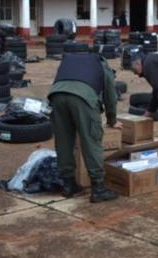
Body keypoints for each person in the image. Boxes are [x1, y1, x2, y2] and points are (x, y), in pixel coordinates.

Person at [48, 53, 120, 203]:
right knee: (91, 140)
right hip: (83, 98)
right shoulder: (102, 64)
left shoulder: (68, 60)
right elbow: (110, 95)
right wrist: (112, 120)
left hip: (56, 96)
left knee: (63, 141)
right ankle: (98, 188)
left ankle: (68, 185)